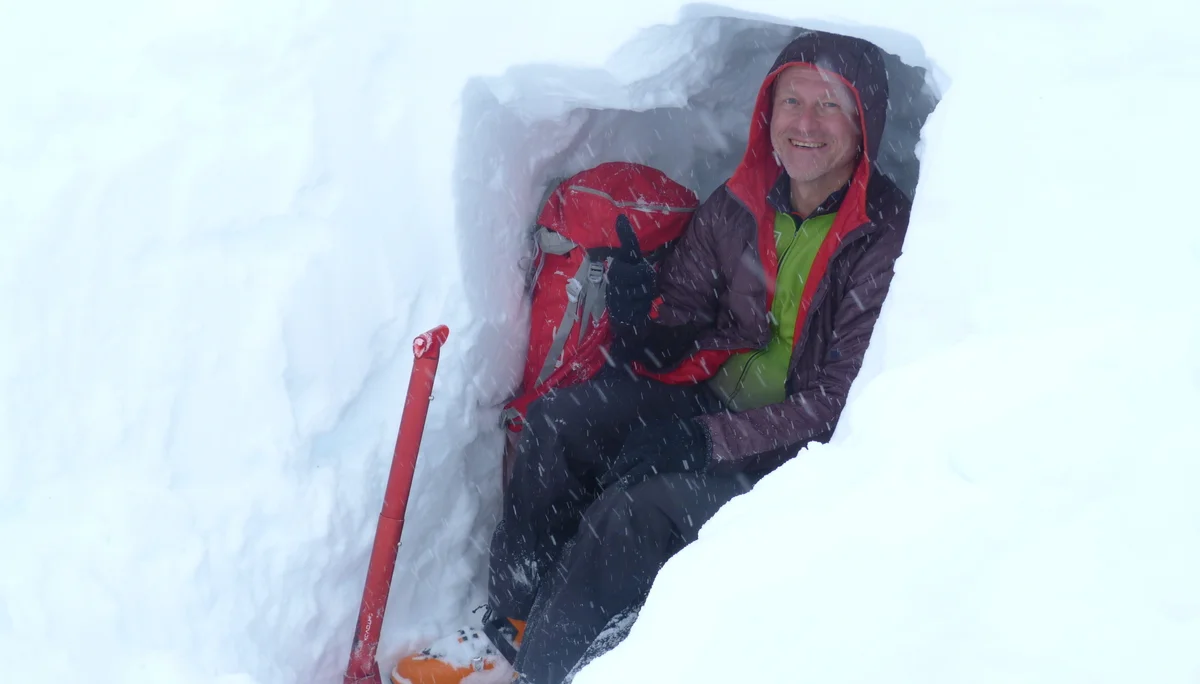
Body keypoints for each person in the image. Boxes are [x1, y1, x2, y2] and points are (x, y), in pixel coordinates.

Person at [392, 29, 912, 684]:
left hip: (795, 454)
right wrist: (643, 323)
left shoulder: (881, 235)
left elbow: (834, 403)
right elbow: (685, 312)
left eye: (829, 104)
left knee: (636, 510)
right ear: (768, 111)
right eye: (791, 102)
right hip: (711, 398)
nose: (805, 124)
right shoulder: (741, 203)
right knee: (560, 424)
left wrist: (704, 441)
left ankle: (542, 670)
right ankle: (512, 624)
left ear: (864, 121)